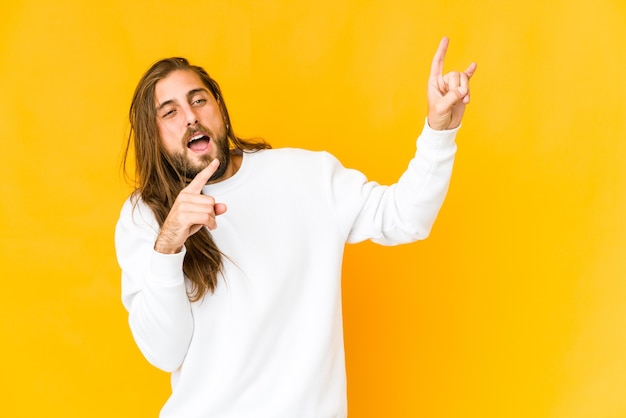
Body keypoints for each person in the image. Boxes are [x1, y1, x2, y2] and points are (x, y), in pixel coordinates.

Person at [115, 36, 476, 418]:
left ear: (218, 108)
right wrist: (168, 245)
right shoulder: (146, 216)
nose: (190, 116)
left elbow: (405, 217)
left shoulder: (305, 175)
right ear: (153, 133)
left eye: (198, 100)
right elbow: (163, 351)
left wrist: (439, 132)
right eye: (169, 112)